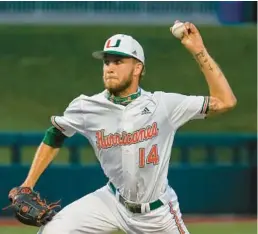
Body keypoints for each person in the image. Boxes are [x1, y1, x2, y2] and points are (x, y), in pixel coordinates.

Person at [9, 21, 236, 234]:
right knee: (52, 230)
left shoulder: (163, 105)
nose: (109, 67)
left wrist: (198, 50)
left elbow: (225, 101)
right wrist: (27, 185)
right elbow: (55, 134)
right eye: (107, 61)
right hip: (112, 202)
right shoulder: (87, 106)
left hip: (157, 214)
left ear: (137, 68)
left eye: (118, 62)